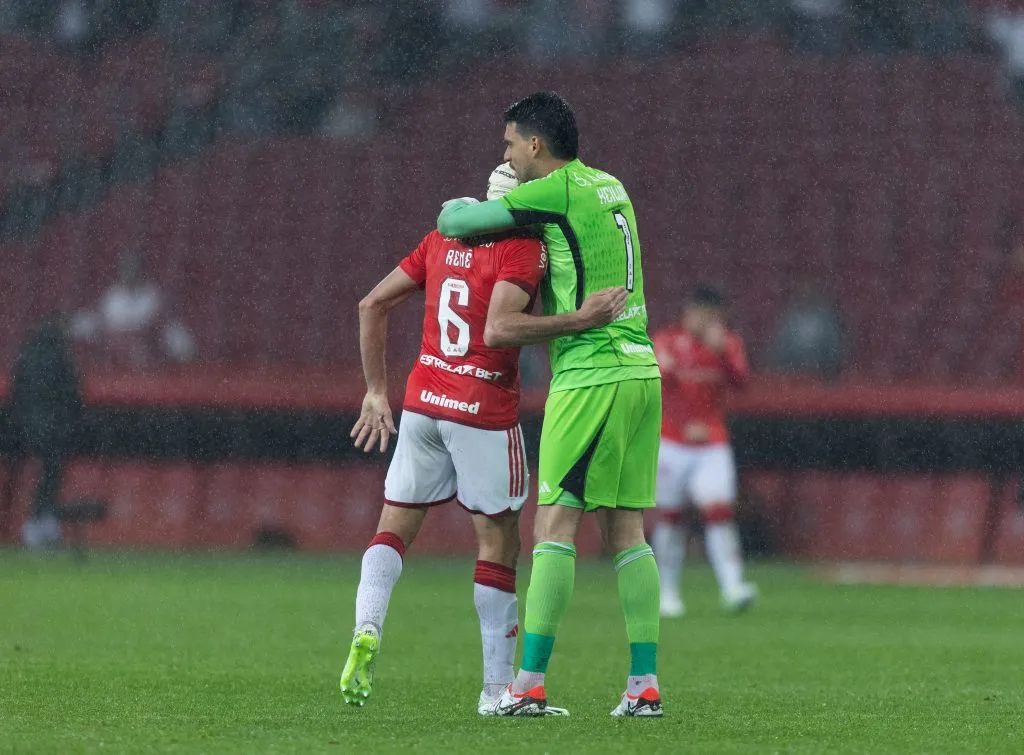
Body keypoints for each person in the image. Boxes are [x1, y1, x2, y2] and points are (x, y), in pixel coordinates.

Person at [340, 163, 624, 715]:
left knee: (392, 529)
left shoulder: (443, 235)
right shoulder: (522, 246)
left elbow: (370, 304)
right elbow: (501, 329)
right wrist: (579, 320)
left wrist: (377, 391)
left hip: (423, 403)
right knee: (499, 546)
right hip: (483, 408)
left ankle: (368, 625)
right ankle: (497, 694)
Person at [437, 92, 664, 717]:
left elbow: (452, 224)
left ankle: (528, 684)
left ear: (535, 145)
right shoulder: (611, 185)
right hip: (642, 372)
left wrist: (490, 199)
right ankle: (644, 687)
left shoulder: (554, 189)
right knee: (627, 532)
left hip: (590, 375)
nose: (506, 154)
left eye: (511, 144)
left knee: (555, 527)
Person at [650, 284, 757, 618]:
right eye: (699, 314)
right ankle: (666, 593)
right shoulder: (666, 342)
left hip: (712, 443)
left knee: (719, 510)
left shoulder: (728, 344)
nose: (704, 320)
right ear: (688, 313)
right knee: (671, 516)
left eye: (711, 315)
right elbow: (656, 385)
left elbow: (742, 382)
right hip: (672, 441)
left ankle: (732, 587)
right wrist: (683, 423)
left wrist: (723, 353)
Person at [10, 314, 83, 549]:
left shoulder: (27, 355)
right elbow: (71, 395)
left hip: (28, 427)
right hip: (54, 428)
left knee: (37, 475)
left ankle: (36, 525)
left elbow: (17, 391)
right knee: (50, 476)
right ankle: (42, 524)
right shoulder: (60, 356)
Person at [71, 250, 195, 369]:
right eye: (126, 268)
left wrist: (136, 338)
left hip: (146, 350)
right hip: (116, 348)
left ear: (141, 271)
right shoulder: (113, 296)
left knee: (176, 335)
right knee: (81, 323)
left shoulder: (152, 295)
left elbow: (154, 328)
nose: (130, 273)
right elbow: (104, 324)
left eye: (133, 268)